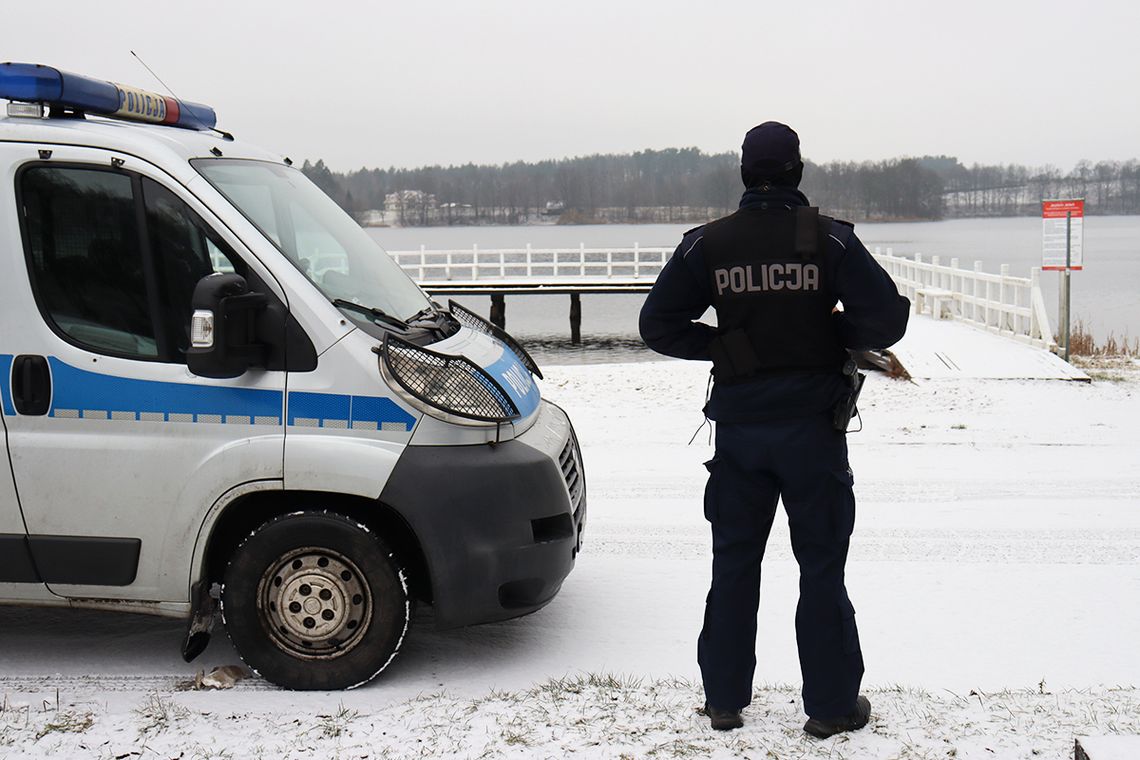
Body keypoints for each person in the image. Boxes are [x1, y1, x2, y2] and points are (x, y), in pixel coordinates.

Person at [638, 122, 910, 737]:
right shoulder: (830, 241)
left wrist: (727, 347)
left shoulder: (707, 244)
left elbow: (658, 325)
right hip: (813, 432)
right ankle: (832, 708)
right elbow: (888, 321)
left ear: (743, 174)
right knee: (821, 568)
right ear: (796, 172)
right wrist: (832, 333)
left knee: (734, 563)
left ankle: (725, 701)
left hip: (740, 434)